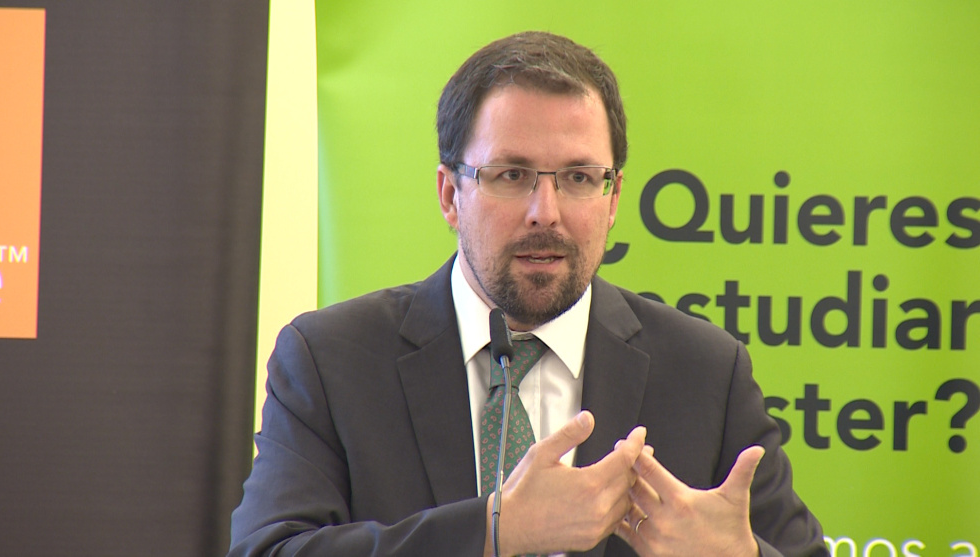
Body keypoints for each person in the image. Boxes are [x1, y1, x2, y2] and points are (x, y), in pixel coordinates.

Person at [229, 31, 828, 557]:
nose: (547, 212)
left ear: (613, 199)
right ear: (450, 195)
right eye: (512, 175)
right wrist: (493, 532)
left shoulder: (705, 373)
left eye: (579, 177)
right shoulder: (331, 360)